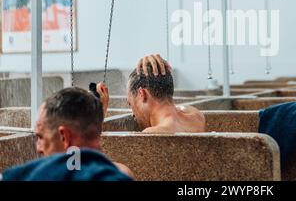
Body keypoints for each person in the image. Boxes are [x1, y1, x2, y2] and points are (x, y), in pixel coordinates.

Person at [1, 87, 133, 181]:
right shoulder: (122, 174)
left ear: (64, 137)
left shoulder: (28, 176)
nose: (38, 148)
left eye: (41, 137)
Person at [98, 54, 205, 133]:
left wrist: (100, 113)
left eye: (130, 103)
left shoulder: (152, 133)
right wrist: (160, 66)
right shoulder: (197, 117)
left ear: (142, 94)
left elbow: (97, 156)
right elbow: (170, 105)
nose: (133, 115)